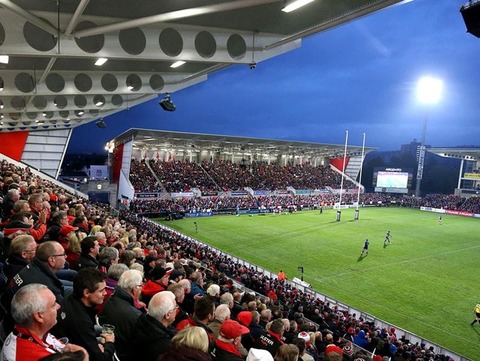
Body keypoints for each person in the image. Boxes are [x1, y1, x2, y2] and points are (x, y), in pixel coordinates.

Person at [0, 283, 87, 361]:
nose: (58, 306)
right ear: (39, 316)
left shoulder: (22, 331)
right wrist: (83, 355)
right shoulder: (43, 357)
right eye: (53, 305)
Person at [56, 268, 115, 361]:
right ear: (86, 293)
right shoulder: (81, 321)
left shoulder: (71, 299)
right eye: (101, 291)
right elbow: (100, 359)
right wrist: (109, 343)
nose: (105, 293)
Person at [100, 269, 143, 360]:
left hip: (113, 347)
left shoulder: (110, 299)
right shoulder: (136, 316)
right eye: (140, 285)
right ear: (134, 289)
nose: (142, 288)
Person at [130, 291, 178, 361]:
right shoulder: (166, 347)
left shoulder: (139, 322)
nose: (177, 309)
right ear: (168, 315)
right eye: (175, 307)